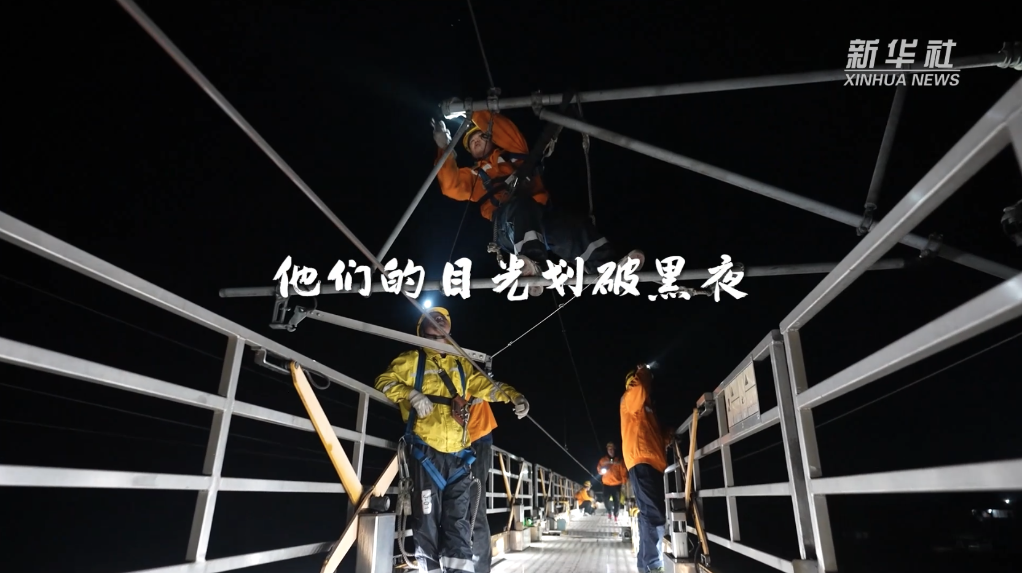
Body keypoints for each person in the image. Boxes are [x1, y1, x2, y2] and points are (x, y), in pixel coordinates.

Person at [375, 306, 530, 573]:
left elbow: (487, 386)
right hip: (427, 454)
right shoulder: (410, 360)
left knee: (459, 524)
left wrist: (514, 396)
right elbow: (384, 381)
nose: (439, 319)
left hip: (459, 457)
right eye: (432, 316)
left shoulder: (461, 365)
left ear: (450, 328)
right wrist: (411, 394)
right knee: (426, 524)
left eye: (443, 318)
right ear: (420, 327)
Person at [431, 112, 645, 297]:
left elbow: (504, 130)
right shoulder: (474, 176)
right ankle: (532, 263)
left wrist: (474, 112)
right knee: (521, 207)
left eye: (480, 136)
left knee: (571, 227)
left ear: (491, 138)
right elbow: (450, 184)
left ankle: (608, 267)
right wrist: (445, 148)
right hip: (508, 226)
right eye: (471, 142)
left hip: (542, 216)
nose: (476, 141)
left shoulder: (515, 156)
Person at [466, 377, 527, 573]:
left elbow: (494, 388)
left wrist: (516, 397)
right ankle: (460, 562)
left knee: (475, 505)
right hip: (455, 442)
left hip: (477, 438)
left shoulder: (468, 373)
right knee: (458, 506)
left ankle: (480, 567)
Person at [621, 364, 673, 573]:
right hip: (643, 461)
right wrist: (644, 370)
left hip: (650, 463)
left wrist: (668, 436)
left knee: (648, 515)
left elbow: (653, 436)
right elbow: (640, 386)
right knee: (654, 514)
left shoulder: (646, 409)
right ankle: (653, 564)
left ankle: (646, 565)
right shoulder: (631, 398)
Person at [597, 441, 628, 523]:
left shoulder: (619, 461)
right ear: (607, 450)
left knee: (616, 501)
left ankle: (616, 515)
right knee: (605, 498)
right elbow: (599, 470)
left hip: (616, 484)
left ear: (615, 450)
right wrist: (602, 469)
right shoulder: (603, 460)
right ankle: (609, 511)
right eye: (609, 449)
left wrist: (624, 483)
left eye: (612, 449)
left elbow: (623, 472)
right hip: (606, 484)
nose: (611, 451)